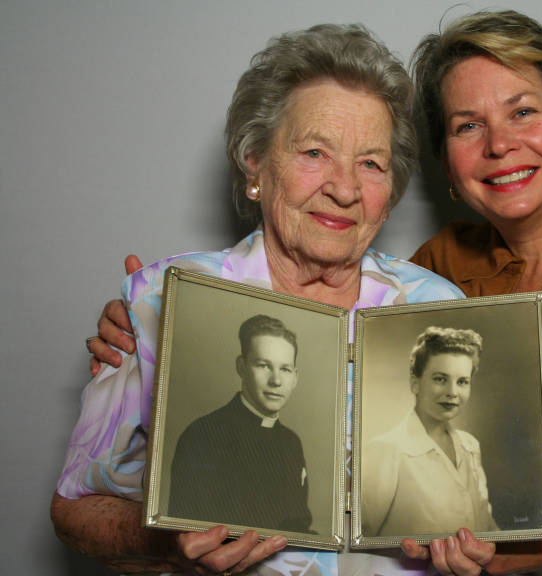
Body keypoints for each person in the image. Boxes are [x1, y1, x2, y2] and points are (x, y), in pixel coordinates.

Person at [88, 9, 542, 576]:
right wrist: (151, 326)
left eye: (523, 111)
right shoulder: (438, 277)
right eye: (469, 125)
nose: (500, 144)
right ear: (448, 161)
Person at [51, 23, 463, 576]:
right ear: (255, 165)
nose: (344, 188)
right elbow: (72, 509)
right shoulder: (162, 301)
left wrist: (476, 545)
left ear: (388, 195)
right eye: (315, 151)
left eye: (370, 163)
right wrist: (166, 543)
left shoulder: (435, 309)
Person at [169, 315, 311, 532]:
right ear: (242, 367)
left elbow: (298, 526)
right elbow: (188, 532)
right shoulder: (203, 435)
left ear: (295, 378)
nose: (276, 381)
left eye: (285, 369)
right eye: (264, 365)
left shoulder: (292, 443)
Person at [362, 327, 497, 537]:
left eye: (462, 382)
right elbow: (361, 540)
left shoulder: (470, 445)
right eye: (440, 379)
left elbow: (486, 527)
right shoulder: (387, 450)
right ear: (415, 383)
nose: (452, 392)